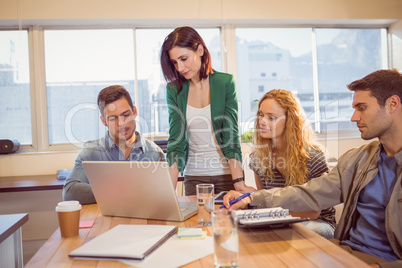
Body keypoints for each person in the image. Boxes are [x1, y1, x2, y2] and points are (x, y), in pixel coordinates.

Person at [223, 69, 402, 268]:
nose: (353, 117)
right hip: (344, 252)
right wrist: (252, 198)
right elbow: (308, 193)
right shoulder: (357, 159)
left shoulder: (314, 156)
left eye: (362, 107)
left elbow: (313, 211)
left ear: (392, 104)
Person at [160, 26, 255, 195]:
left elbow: (230, 134)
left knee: (228, 221)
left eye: (184, 58)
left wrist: (239, 183)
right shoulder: (174, 89)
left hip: (227, 175)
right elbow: (176, 141)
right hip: (194, 177)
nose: (180, 68)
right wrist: (167, 193)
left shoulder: (225, 82)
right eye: (175, 62)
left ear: (200, 49)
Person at [250, 89, 336, 239]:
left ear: (291, 121)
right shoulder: (258, 158)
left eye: (271, 117)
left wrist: (272, 217)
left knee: (291, 230)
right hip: (278, 220)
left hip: (319, 223)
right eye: (261, 115)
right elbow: (265, 199)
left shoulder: (314, 157)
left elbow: (313, 212)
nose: (262, 121)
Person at [63, 85, 166, 204]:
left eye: (126, 115)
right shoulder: (92, 152)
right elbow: (70, 192)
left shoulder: (155, 153)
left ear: (135, 111)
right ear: (104, 121)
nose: (121, 123)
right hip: (106, 221)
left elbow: (163, 197)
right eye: (113, 118)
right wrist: (118, 193)